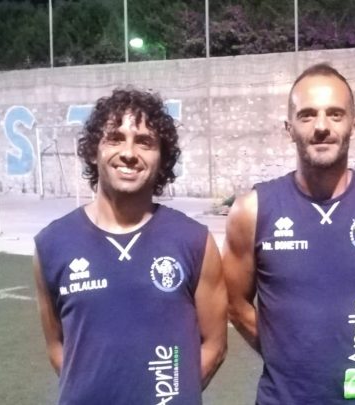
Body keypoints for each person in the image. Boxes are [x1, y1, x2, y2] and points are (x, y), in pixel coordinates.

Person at [223, 63, 355, 404]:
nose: (322, 126)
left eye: (335, 114)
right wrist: (286, 352)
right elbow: (235, 303)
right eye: (307, 115)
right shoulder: (251, 210)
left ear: (354, 124)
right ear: (289, 128)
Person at [33, 88, 227, 404]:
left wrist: (172, 395)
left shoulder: (195, 240)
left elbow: (214, 344)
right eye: (115, 138)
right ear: (93, 151)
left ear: (162, 158)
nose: (129, 153)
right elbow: (56, 345)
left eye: (144, 142)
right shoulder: (51, 244)